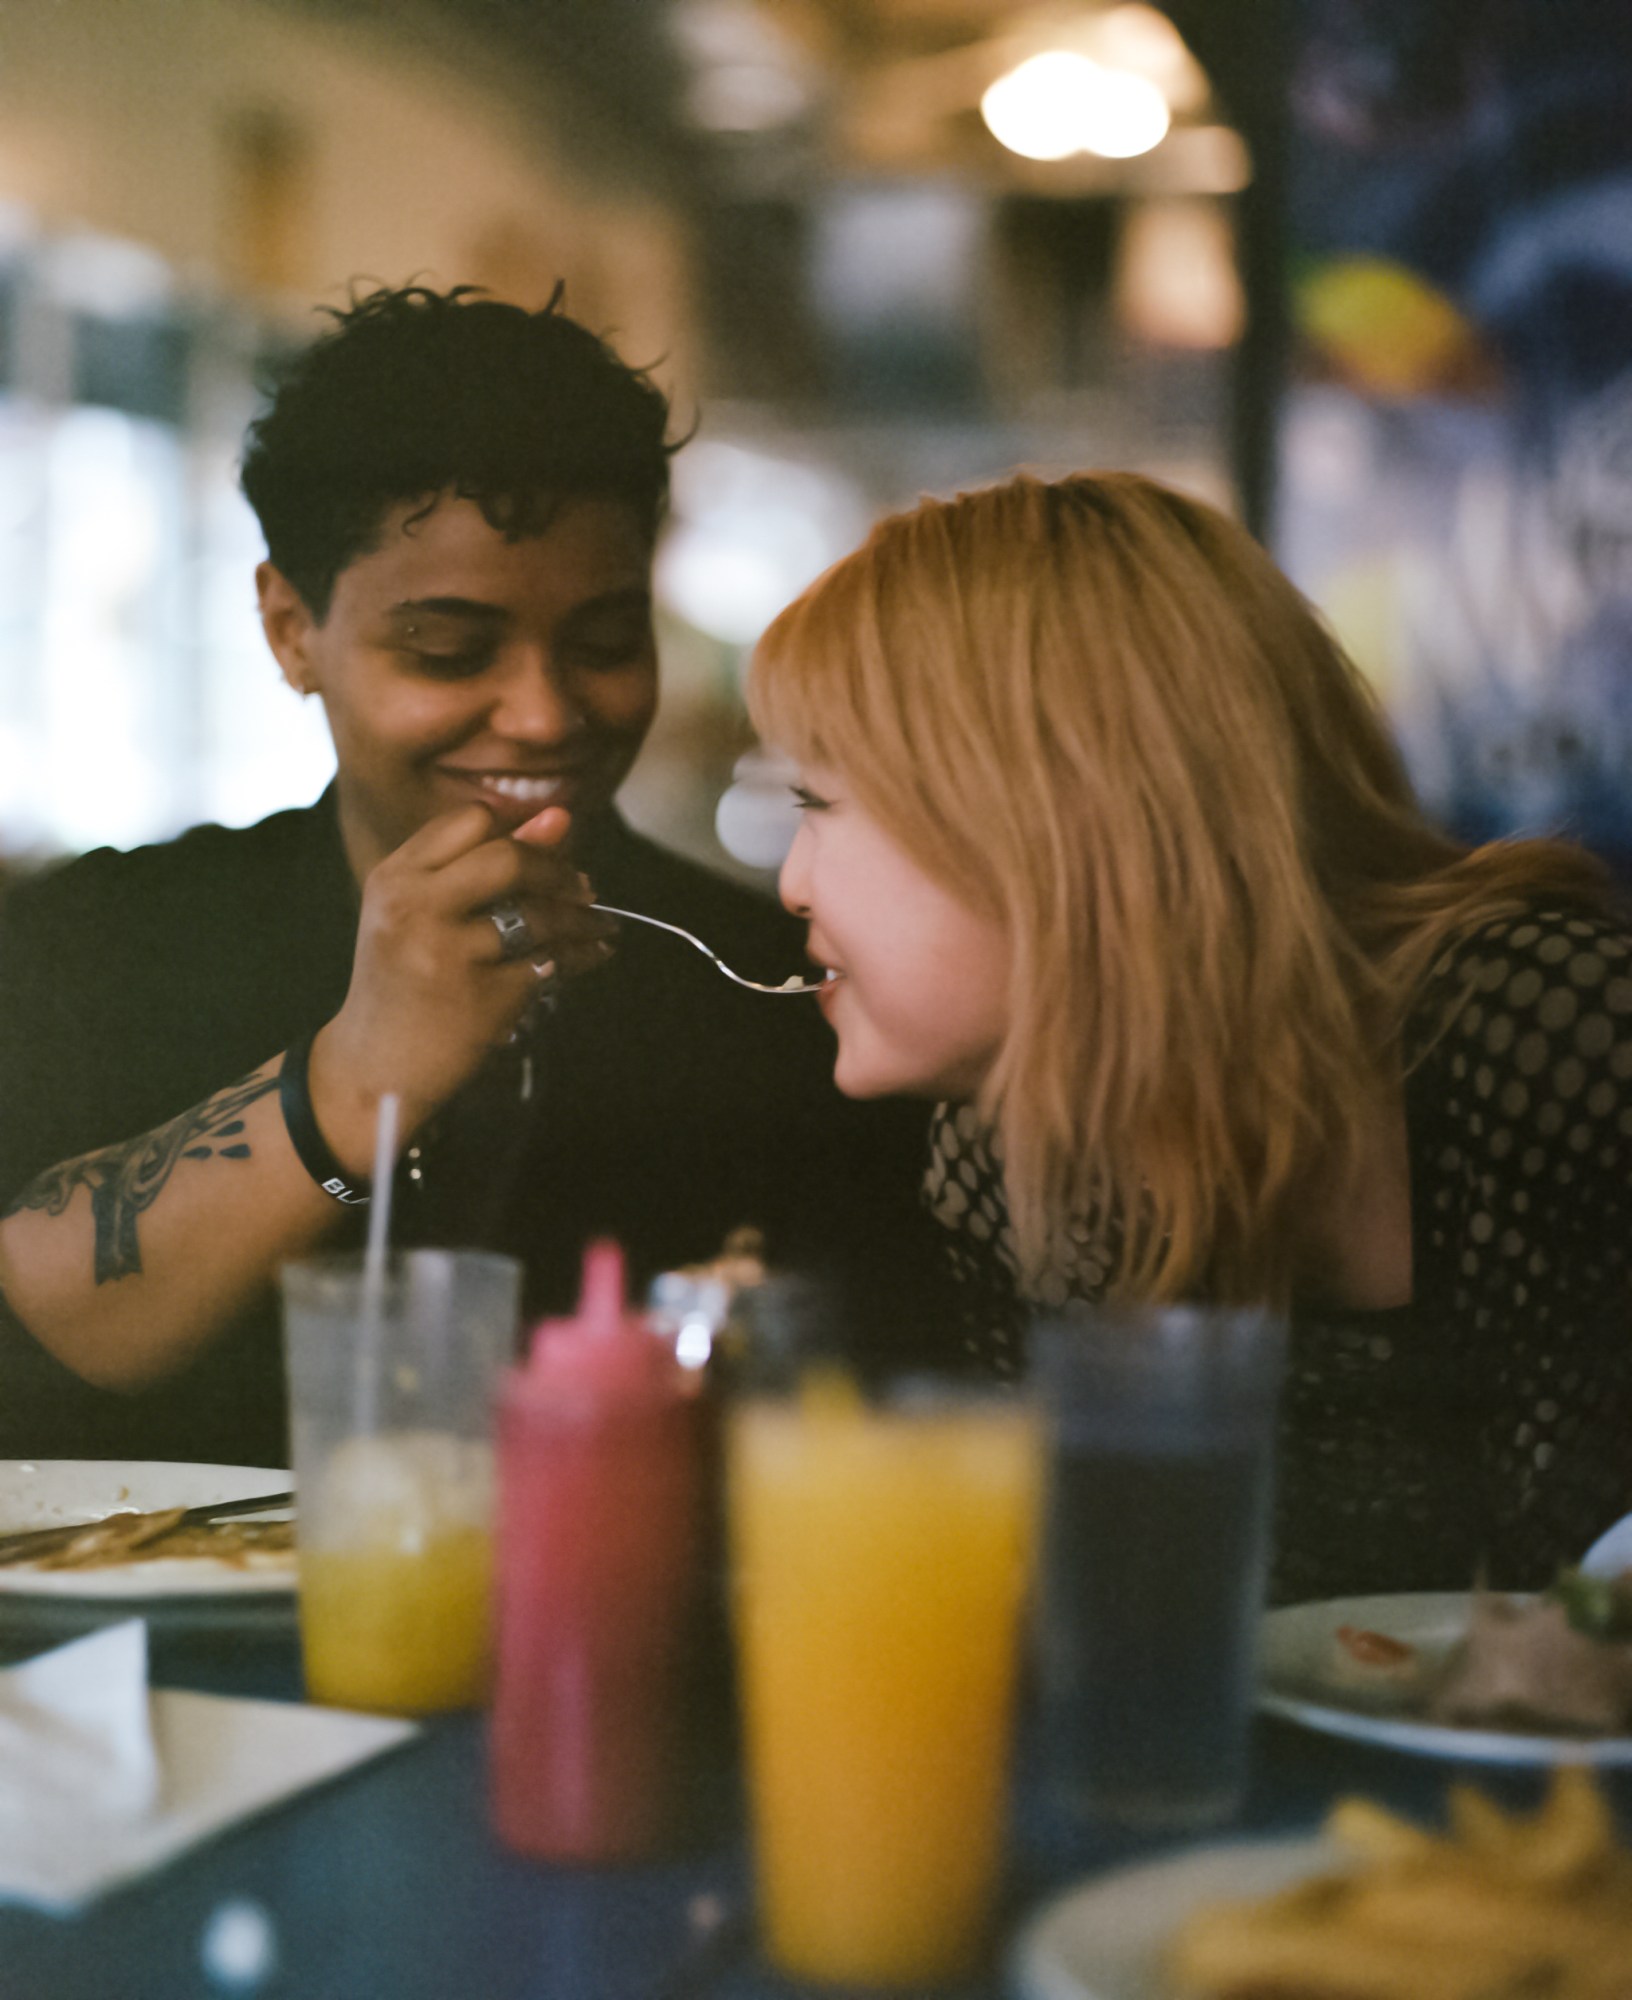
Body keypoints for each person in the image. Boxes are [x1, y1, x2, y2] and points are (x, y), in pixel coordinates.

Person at [0, 283, 925, 1466]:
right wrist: (350, 1080)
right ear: (291, 630)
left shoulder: (781, 997)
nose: (543, 715)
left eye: (603, 641)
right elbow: (36, 1322)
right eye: (448, 650)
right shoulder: (111, 940)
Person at [748, 470, 1632, 1601]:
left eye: (821, 805)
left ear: (1051, 819)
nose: (790, 882)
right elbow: (1096, 1621)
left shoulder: (1550, 1035)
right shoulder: (1007, 1142)